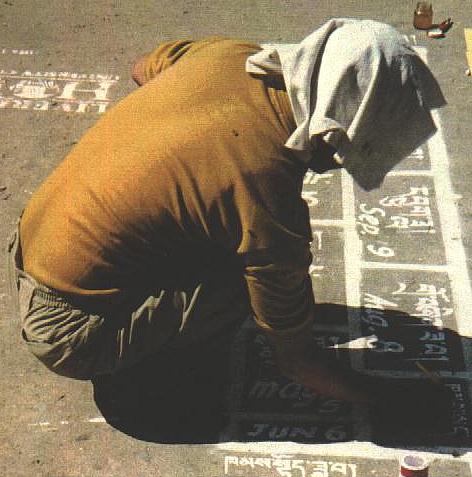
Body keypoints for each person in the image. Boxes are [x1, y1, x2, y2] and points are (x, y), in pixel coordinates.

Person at [7, 19, 447, 404]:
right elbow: (296, 362)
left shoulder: (233, 55)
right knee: (244, 285)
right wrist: (388, 399)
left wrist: (181, 130)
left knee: (208, 224)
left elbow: (143, 66)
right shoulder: (265, 188)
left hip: (28, 244)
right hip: (66, 329)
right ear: (336, 130)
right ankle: (154, 379)